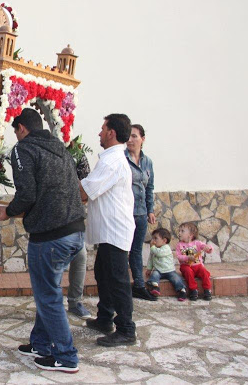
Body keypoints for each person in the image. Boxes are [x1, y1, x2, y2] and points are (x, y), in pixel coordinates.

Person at [0, 108, 85, 373]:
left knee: (48, 296)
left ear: (22, 128)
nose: (16, 136)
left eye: (15, 131)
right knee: (50, 290)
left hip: (51, 236)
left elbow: (27, 195)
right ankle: (41, 344)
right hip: (75, 231)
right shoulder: (58, 146)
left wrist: (8, 212)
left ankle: (67, 357)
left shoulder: (23, 149)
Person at [80, 113, 137, 347]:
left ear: (112, 133)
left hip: (114, 230)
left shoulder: (112, 161)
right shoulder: (111, 158)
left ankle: (126, 329)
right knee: (103, 274)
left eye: (103, 129)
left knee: (118, 280)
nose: (99, 133)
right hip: (108, 231)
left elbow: (86, 192)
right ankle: (105, 318)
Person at [125, 124, 157, 301]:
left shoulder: (147, 162)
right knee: (122, 251)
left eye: (134, 136)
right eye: (128, 136)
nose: (130, 139)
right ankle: (121, 286)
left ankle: (138, 285)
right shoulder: (122, 158)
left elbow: (149, 188)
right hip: (125, 213)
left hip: (141, 213)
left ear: (142, 139)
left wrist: (150, 209)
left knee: (136, 250)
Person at [67, 148, 92, 320]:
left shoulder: (77, 152)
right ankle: (46, 305)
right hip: (51, 216)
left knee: (80, 256)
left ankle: (75, 302)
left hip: (74, 214)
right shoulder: (47, 148)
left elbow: (87, 183)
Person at [145, 228, 187, 301]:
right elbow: (150, 259)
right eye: (153, 238)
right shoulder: (154, 249)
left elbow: (159, 253)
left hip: (169, 270)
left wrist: (152, 247)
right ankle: (155, 287)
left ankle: (181, 291)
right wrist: (149, 269)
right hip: (158, 270)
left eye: (155, 238)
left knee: (176, 278)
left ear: (164, 240)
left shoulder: (166, 248)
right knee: (154, 275)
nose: (153, 241)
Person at [176, 222, 213, 301]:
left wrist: (208, 248)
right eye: (179, 231)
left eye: (182, 231)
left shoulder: (197, 243)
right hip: (186, 266)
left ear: (190, 235)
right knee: (188, 271)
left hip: (198, 266)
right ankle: (193, 290)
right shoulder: (179, 245)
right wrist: (187, 257)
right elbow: (179, 256)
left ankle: (207, 289)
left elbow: (205, 247)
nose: (179, 233)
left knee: (204, 272)